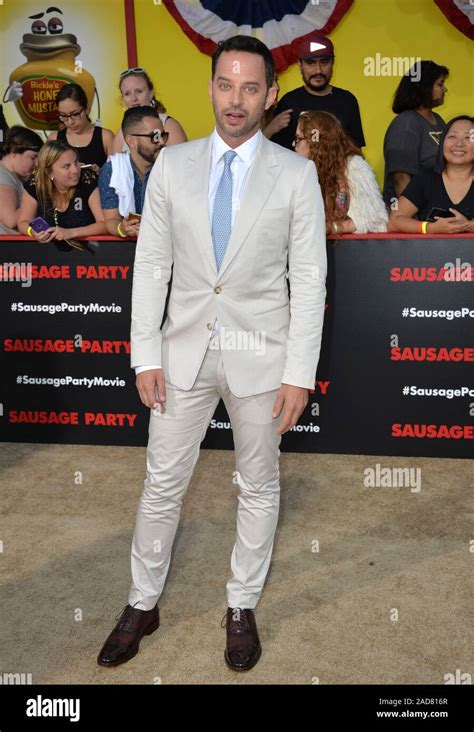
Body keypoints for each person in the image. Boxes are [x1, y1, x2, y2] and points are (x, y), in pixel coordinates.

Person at [97, 34, 327, 672]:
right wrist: (144, 355)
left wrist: (298, 374)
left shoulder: (297, 174)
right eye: (226, 84)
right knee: (161, 482)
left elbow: (308, 281)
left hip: (263, 354)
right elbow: (152, 266)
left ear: (270, 94)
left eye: (251, 87)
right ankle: (143, 603)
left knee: (258, 484)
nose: (236, 99)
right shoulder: (174, 165)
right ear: (209, 88)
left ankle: (241, 604)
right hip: (182, 352)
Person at [295, 111, 387, 235]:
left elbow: (373, 220)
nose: (294, 145)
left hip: (350, 250)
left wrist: (327, 228)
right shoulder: (303, 171)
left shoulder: (353, 168)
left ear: (317, 143)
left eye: (299, 139)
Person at [269, 32, 365, 151]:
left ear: (332, 63)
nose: (318, 70)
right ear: (300, 65)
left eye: (324, 62)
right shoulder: (288, 103)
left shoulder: (347, 100)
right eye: (311, 63)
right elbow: (277, 154)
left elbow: (355, 153)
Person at [389, 116, 474, 234]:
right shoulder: (425, 178)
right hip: (431, 252)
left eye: (468, 137)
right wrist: (430, 228)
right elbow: (394, 221)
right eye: (452, 136)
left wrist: (469, 226)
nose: (459, 144)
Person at [383, 60, 448, 209]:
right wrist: (411, 219)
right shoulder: (405, 124)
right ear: (424, 87)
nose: (445, 89)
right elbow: (401, 178)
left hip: (435, 210)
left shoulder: (438, 119)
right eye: (440, 84)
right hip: (414, 216)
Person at [17, 140, 107, 247]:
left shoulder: (87, 179)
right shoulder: (35, 184)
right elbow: (23, 222)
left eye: (76, 162)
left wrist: (71, 233)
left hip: (89, 250)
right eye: (66, 166)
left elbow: (104, 224)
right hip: (48, 253)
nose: (75, 170)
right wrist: (32, 232)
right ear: (49, 172)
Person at [99, 106, 167, 237]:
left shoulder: (172, 168)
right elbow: (111, 220)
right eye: (155, 136)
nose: (162, 141)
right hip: (129, 249)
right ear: (131, 141)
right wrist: (122, 229)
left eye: (163, 135)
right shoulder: (112, 170)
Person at [111, 68, 186, 153]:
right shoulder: (121, 134)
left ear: (151, 93)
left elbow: (182, 164)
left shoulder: (168, 125)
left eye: (139, 91)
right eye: (127, 94)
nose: (133, 98)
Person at [48, 83, 114, 173]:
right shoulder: (54, 139)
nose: (70, 122)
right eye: (63, 116)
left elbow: (118, 177)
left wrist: (101, 173)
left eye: (75, 114)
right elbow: (46, 175)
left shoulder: (106, 137)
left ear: (87, 109)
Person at [0, 125, 42, 234]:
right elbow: (10, 220)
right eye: (33, 157)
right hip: (9, 247)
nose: (37, 164)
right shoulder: (2, 175)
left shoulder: (16, 175)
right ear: (14, 152)